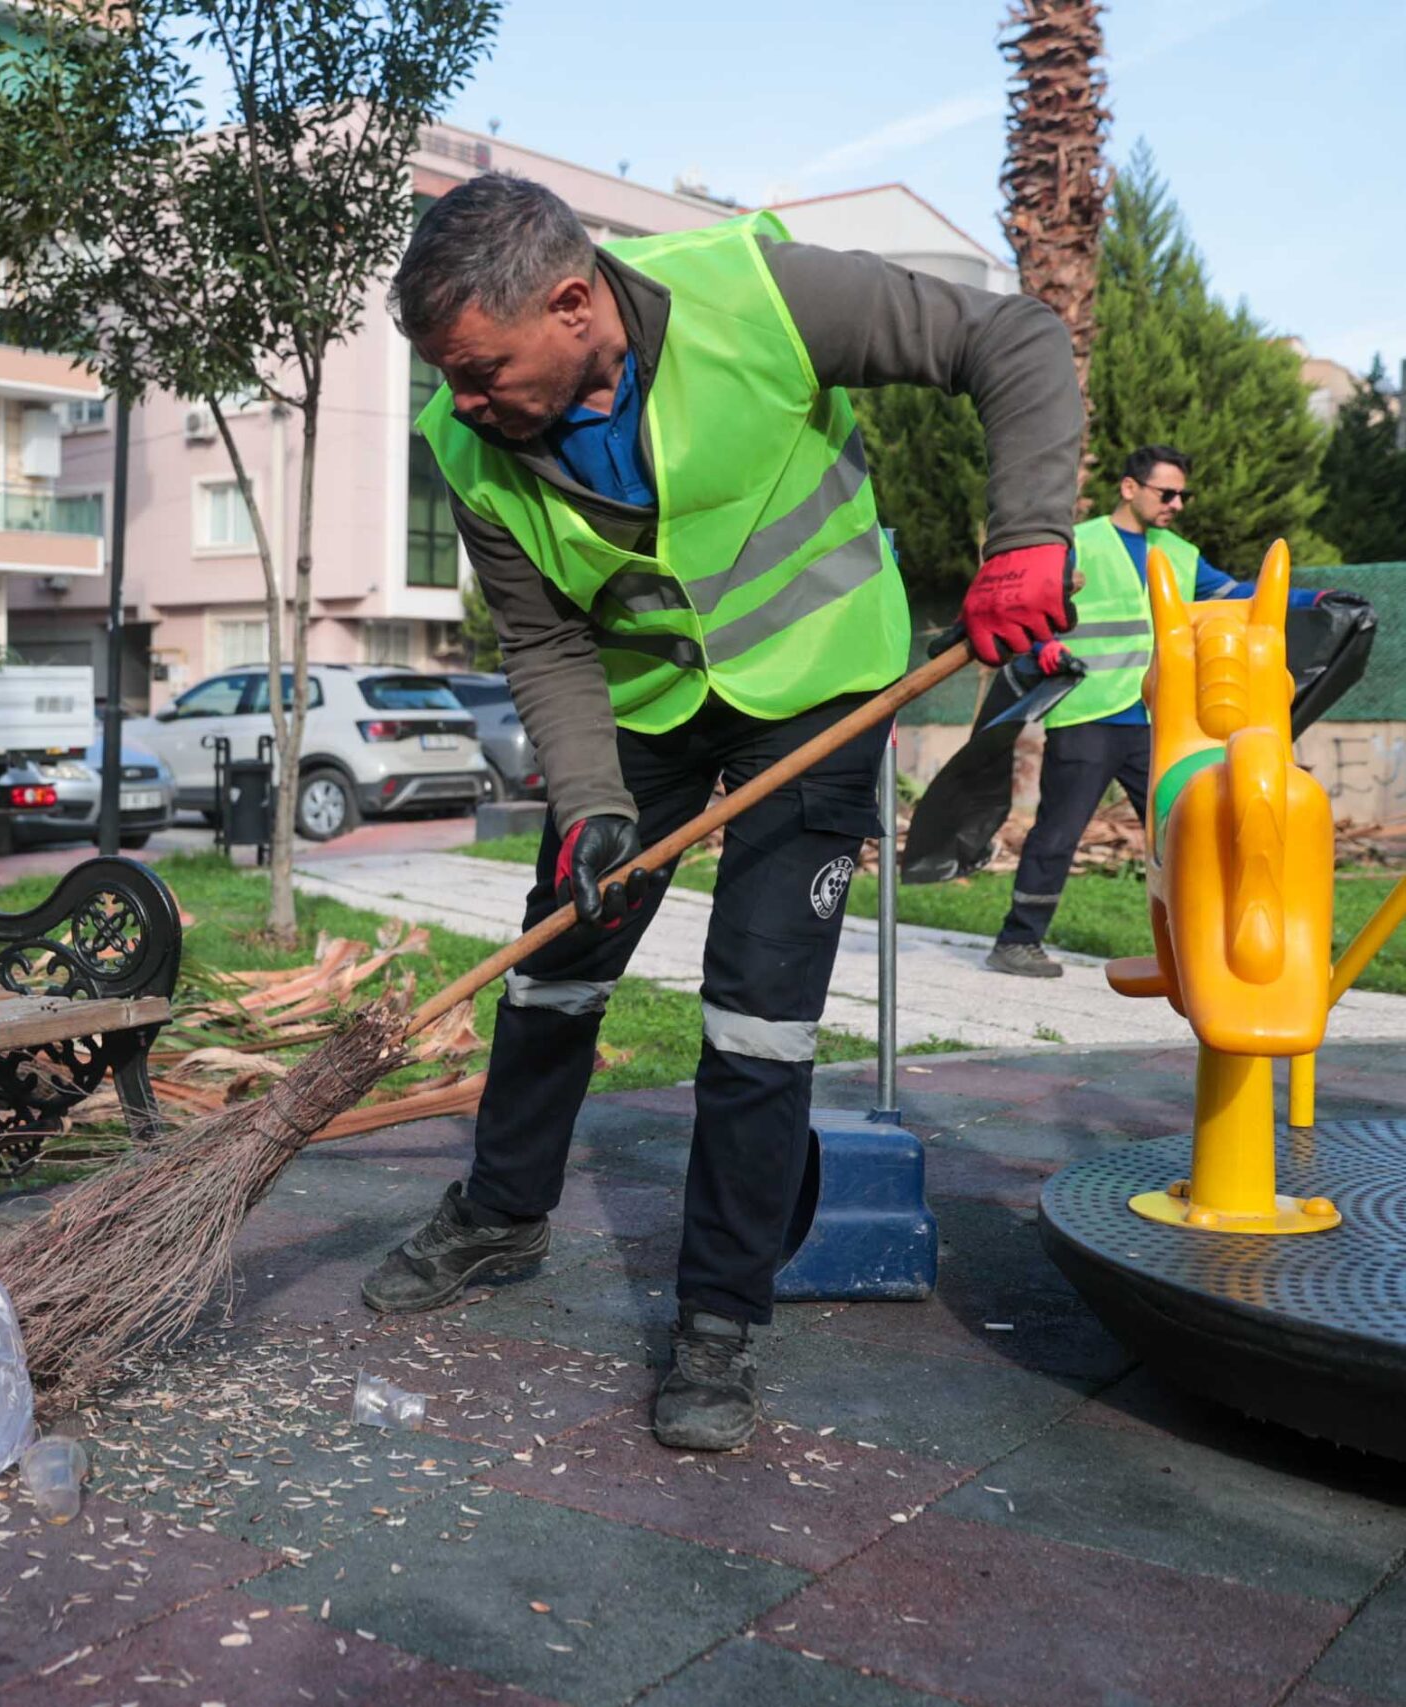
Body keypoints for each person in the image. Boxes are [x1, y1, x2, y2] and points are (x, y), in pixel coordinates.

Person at [365, 174, 1084, 1452]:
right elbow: (545, 642)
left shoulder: (758, 296)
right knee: (554, 967)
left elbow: (1013, 338)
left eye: (479, 371)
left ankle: (718, 1319)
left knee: (757, 1014)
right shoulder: (466, 444)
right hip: (640, 713)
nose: (463, 402)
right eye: (448, 377)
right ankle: (501, 1215)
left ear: (573, 303)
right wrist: (590, 803)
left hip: (817, 690)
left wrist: (1026, 537)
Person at [984, 445, 1350, 976]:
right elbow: (1032, 608)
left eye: (1183, 495)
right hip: (1088, 714)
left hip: (1159, 725)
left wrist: (1314, 600)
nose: (1177, 503)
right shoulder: (1081, 544)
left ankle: (1205, 944)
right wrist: (1043, 648)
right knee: (1058, 834)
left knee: (1190, 830)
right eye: (1167, 493)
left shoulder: (1180, 554)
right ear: (1129, 488)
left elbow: (1241, 596)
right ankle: (1017, 942)